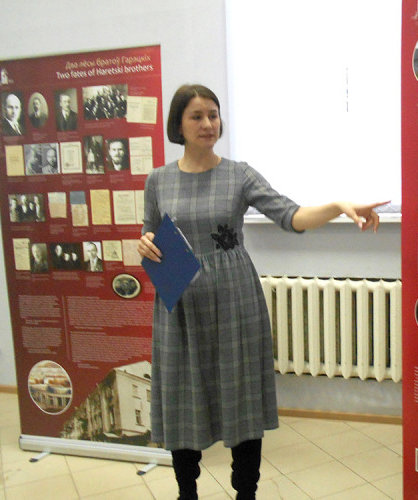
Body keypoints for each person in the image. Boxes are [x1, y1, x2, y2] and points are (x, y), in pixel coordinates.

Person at [136, 84, 385, 500]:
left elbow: (290, 215)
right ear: (178, 124)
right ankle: (186, 492)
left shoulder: (239, 174)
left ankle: (246, 493)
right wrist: (144, 243)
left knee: (242, 396)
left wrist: (339, 206)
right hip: (180, 305)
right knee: (183, 394)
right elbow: (149, 230)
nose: (208, 123)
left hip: (235, 299)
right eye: (197, 116)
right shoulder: (158, 180)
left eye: (213, 114)